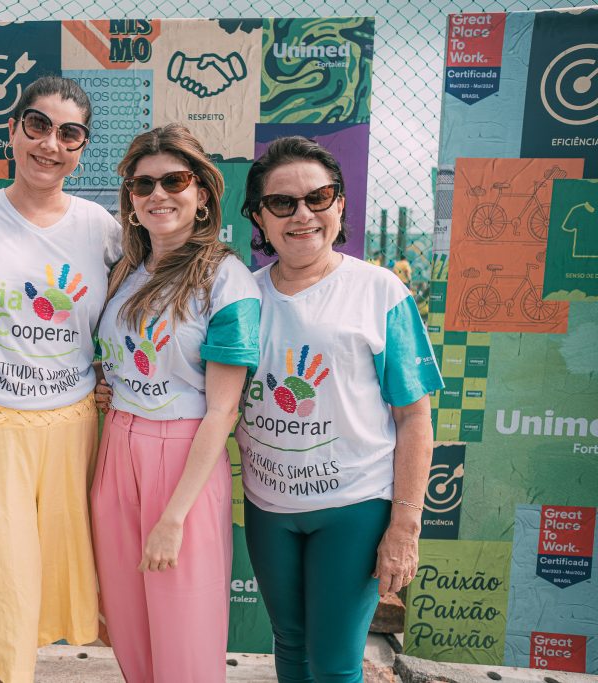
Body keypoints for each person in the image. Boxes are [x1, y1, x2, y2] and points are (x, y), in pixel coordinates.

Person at [0, 76, 120, 683]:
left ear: (82, 147)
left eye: (69, 133)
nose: (50, 144)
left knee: (50, 591)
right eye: (37, 125)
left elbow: (152, 303)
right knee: (6, 595)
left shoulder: (104, 229)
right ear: (11, 130)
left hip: (72, 430)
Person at [236, 136, 442, 683]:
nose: (302, 214)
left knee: (334, 664)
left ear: (340, 203)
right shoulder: (240, 298)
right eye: (282, 202)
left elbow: (414, 417)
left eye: (319, 197)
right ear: (258, 216)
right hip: (269, 508)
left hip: (354, 508)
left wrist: (405, 524)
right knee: (290, 643)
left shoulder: (380, 292)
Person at [92, 125, 260, 682]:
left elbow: (223, 410)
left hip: (183, 457)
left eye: (174, 181)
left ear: (202, 193)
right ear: (131, 200)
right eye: (143, 185)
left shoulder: (226, 279)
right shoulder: (124, 271)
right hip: (117, 448)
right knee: (130, 629)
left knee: (184, 637)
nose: (158, 194)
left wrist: (174, 517)